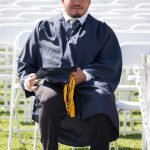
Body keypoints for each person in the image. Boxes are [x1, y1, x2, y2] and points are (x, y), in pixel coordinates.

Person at [18, 0, 122, 149]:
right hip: (52, 83)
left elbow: (111, 62)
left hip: (89, 84)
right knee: (48, 99)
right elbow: (25, 62)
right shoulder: (44, 28)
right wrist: (26, 80)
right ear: (62, 0)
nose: (78, 2)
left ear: (89, 2)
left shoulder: (102, 31)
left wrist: (86, 74)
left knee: (102, 99)